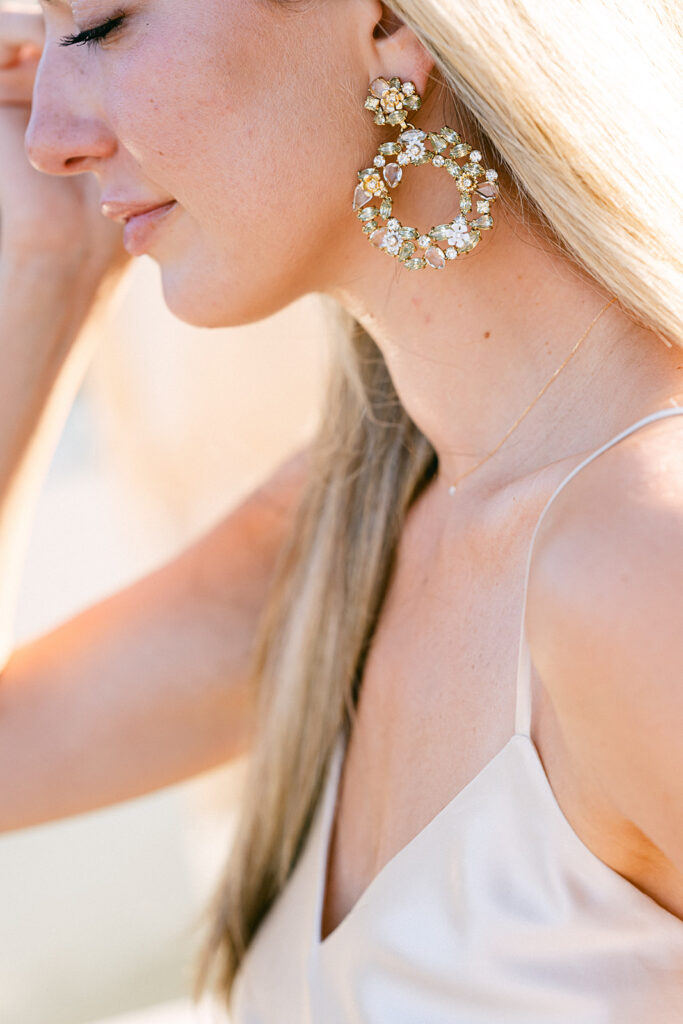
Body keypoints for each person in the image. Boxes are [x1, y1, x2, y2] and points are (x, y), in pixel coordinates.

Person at [1, 0, 682, 1020]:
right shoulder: (357, 523)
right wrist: (43, 267)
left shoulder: (636, 565)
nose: (47, 136)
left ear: (383, 26)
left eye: (100, 24)